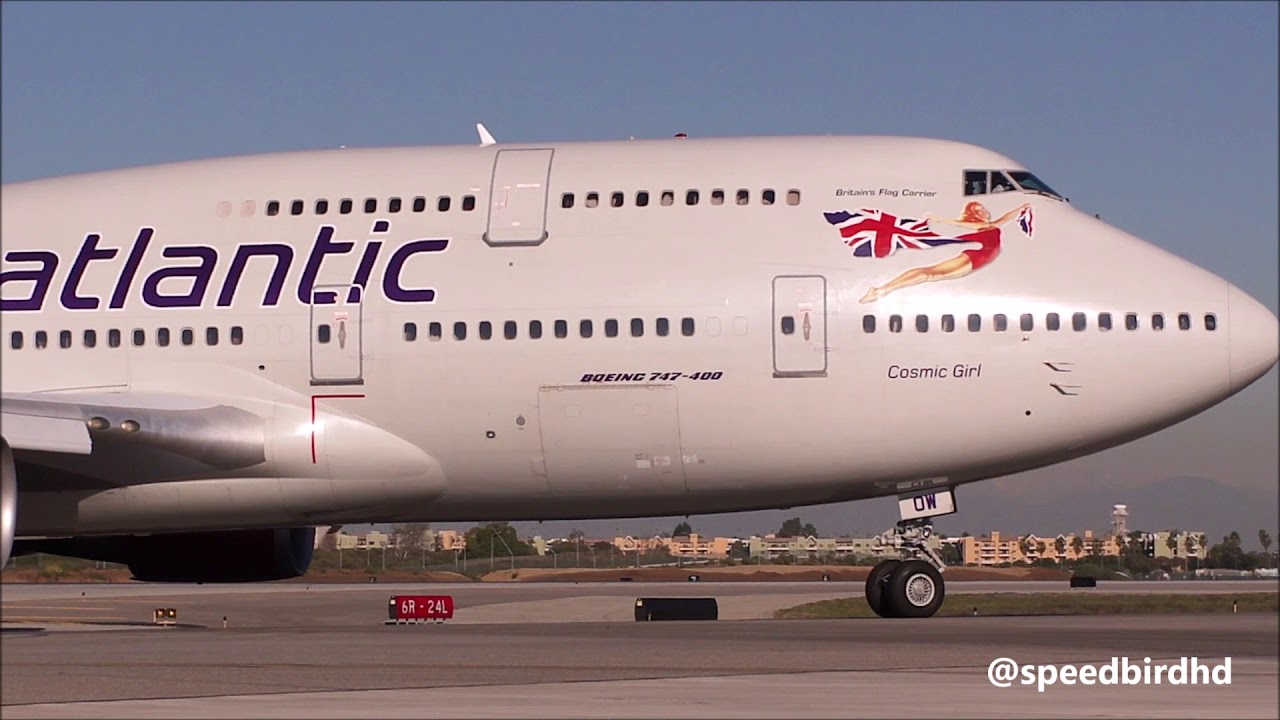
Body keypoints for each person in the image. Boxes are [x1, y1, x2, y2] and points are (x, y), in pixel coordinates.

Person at [858, 200, 1031, 304]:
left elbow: (1006, 218)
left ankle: (880, 290)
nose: (984, 211)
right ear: (974, 215)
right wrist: (939, 219)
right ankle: (879, 291)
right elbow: (959, 224)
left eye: (983, 208)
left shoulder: (992, 225)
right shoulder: (980, 225)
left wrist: (1021, 208)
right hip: (974, 257)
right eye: (979, 210)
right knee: (928, 273)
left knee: (929, 274)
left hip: (977, 260)